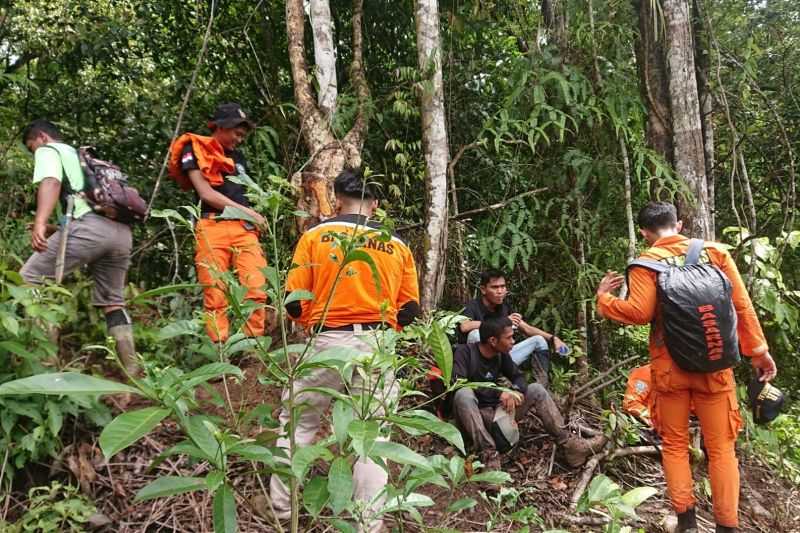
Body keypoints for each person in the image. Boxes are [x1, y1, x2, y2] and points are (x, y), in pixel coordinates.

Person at [596, 201, 778, 533]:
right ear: (678, 225)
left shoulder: (645, 264)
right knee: (722, 449)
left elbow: (638, 313)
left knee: (676, 444)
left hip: (670, 371)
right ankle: (727, 526)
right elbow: (741, 306)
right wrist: (759, 352)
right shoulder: (716, 253)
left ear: (644, 233)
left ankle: (687, 523)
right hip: (715, 368)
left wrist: (604, 300)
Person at [269, 168, 420, 531]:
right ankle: (368, 524)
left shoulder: (315, 236)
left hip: (326, 340)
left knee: (299, 425)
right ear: (376, 205)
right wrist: (383, 331)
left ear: (336, 200)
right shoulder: (396, 245)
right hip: (378, 344)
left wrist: (315, 325)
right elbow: (411, 311)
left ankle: (279, 511)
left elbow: (292, 301)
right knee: (372, 433)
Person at [19, 120, 138, 377]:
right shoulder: (81, 157)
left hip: (90, 230)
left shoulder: (50, 150)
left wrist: (40, 222)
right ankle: (133, 371)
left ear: (41, 138)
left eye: (32, 148)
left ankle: (45, 371)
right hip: (120, 233)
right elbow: (82, 207)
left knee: (28, 279)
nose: (34, 153)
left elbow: (51, 182)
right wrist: (53, 229)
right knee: (113, 302)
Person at [168, 103, 268, 343]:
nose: (239, 139)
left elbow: (242, 191)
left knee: (255, 286)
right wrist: (250, 213)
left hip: (244, 229)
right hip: (212, 225)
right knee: (215, 292)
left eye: (243, 136)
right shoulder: (194, 148)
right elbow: (206, 193)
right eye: (237, 133)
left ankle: (253, 346)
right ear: (222, 126)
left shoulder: (238, 157)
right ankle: (220, 348)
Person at [452, 316, 606, 469]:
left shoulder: (501, 354)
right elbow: (458, 382)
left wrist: (515, 392)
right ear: (493, 341)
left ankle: (570, 445)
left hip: (498, 413)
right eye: (509, 338)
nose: (513, 341)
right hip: (473, 417)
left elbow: (518, 377)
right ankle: (488, 455)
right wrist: (498, 393)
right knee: (463, 393)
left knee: (536, 389)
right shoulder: (464, 353)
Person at [458, 269, 568, 386]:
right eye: (495, 287)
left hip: (502, 362)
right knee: (475, 333)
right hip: (477, 364)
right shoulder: (473, 306)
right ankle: (494, 380)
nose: (500, 291)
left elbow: (527, 329)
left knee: (539, 341)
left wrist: (553, 338)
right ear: (483, 289)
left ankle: (540, 387)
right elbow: (464, 326)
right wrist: (503, 321)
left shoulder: (504, 307)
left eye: (503, 286)